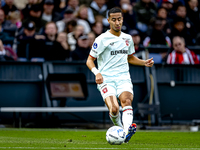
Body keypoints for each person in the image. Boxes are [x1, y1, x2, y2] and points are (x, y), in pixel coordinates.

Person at [86, 7, 154, 143]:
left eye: (119, 19)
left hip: (123, 77)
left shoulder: (127, 38)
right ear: (108, 21)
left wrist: (143, 62)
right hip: (106, 79)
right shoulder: (102, 39)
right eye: (114, 20)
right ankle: (121, 129)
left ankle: (127, 132)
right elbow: (89, 60)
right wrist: (97, 72)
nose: (117, 22)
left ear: (122, 19)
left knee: (127, 101)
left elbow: (129, 58)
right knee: (115, 109)